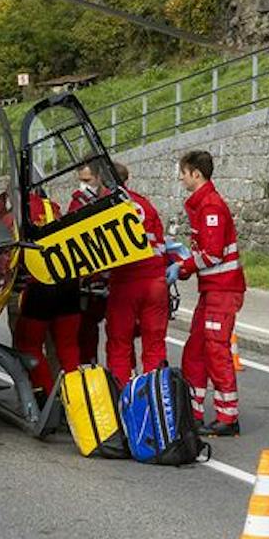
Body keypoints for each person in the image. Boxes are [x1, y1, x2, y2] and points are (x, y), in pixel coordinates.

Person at [173, 149, 246, 436]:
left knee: (216, 349)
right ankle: (194, 410)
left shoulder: (211, 207)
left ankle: (228, 418)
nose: (180, 178)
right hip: (212, 290)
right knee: (196, 348)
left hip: (223, 290)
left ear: (196, 174)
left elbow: (213, 254)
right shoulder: (202, 204)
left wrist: (184, 267)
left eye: (183, 172)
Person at [12, 191, 82, 407]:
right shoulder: (54, 207)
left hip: (40, 284)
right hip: (69, 282)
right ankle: (78, 401)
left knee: (28, 344)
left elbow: (9, 248)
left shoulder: (16, 211)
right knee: (68, 347)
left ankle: (47, 398)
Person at [103, 161, 169, 387]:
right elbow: (161, 245)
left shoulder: (108, 206)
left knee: (120, 344)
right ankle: (156, 398)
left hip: (126, 283)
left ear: (105, 182)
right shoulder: (144, 203)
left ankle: (123, 398)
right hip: (156, 282)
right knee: (155, 344)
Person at [68, 160, 109, 364]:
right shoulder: (77, 202)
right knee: (83, 331)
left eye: (87, 180)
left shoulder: (110, 201)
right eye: (81, 180)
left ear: (99, 177)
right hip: (84, 278)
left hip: (105, 276)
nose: (83, 185)